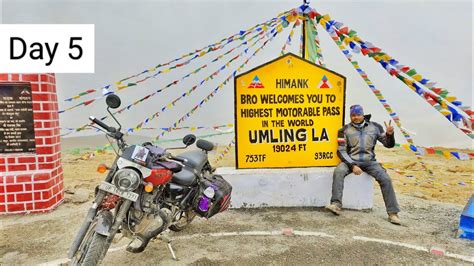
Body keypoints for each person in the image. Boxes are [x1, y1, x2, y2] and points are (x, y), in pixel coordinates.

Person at [326, 104, 401, 225]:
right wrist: (352, 165)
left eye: (358, 115)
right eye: (353, 115)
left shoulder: (375, 127)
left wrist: (389, 135)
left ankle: (393, 213)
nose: (355, 117)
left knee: (385, 178)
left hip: (370, 162)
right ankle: (336, 204)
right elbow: (341, 151)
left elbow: (388, 144)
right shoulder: (344, 130)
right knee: (339, 171)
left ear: (363, 114)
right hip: (351, 161)